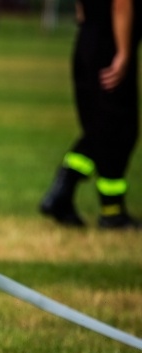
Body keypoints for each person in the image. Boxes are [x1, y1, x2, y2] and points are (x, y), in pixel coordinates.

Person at [40, 0, 141, 229]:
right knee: (116, 129)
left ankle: (81, 199)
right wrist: (124, 52)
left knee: (101, 129)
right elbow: (121, 4)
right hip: (109, 48)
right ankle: (102, 208)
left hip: (88, 40)